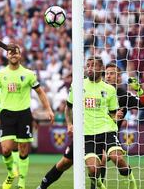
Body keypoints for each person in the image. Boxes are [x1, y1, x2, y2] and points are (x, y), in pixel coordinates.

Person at [37, 57, 137, 189]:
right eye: (88, 65)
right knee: (66, 162)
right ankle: (42, 185)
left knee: (104, 159)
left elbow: (113, 113)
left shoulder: (112, 90)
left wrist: (116, 117)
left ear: (101, 69)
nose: (89, 68)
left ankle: (121, 182)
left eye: (93, 65)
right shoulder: (78, 85)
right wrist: (69, 124)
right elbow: (68, 107)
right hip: (84, 133)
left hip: (106, 130)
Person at [0, 45, 54, 189]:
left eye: (16, 52)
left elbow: (40, 92)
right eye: (10, 52)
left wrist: (48, 109)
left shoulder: (29, 74)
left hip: (24, 114)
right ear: (7, 55)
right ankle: (12, 173)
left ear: (20, 55)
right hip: (6, 113)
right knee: (6, 149)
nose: (13, 55)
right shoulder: (0, 74)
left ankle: (22, 183)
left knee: (23, 149)